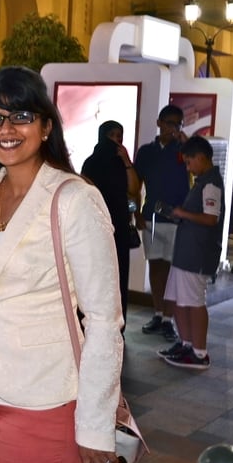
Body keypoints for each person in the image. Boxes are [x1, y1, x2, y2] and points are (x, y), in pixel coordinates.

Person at [0, 66, 123, 463]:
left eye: (21, 116)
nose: (6, 129)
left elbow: (104, 319)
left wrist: (94, 426)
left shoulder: (73, 199)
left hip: (44, 401)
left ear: (46, 126)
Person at [156, 136, 225, 370]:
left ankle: (199, 352)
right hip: (185, 252)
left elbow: (211, 218)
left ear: (201, 158)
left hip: (197, 254)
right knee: (178, 299)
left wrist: (182, 213)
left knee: (195, 302)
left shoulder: (211, 184)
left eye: (189, 162)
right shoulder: (202, 181)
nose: (188, 168)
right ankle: (186, 344)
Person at [134, 104, 190, 342]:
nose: (172, 128)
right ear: (159, 123)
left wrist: (186, 143)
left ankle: (169, 318)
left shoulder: (184, 150)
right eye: (169, 123)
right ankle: (158, 313)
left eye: (177, 124)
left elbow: (198, 170)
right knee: (156, 267)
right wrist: (135, 212)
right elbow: (134, 185)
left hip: (178, 219)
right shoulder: (146, 152)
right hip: (152, 217)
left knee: (173, 270)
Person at [80, 120, 139, 326]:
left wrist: (127, 161)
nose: (116, 141)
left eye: (119, 137)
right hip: (96, 225)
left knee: (119, 274)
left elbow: (134, 189)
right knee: (95, 274)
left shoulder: (122, 163)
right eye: (111, 136)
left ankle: (117, 323)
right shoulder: (91, 163)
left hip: (119, 226)